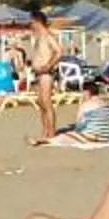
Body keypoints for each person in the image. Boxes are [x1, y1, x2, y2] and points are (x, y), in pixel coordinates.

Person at [25, 11, 63, 144]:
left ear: (37, 21)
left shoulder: (47, 35)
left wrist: (48, 65)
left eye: (31, 21)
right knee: (41, 103)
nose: (30, 24)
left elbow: (58, 51)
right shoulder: (39, 37)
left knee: (46, 103)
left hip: (46, 74)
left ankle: (51, 133)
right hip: (39, 73)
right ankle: (45, 131)